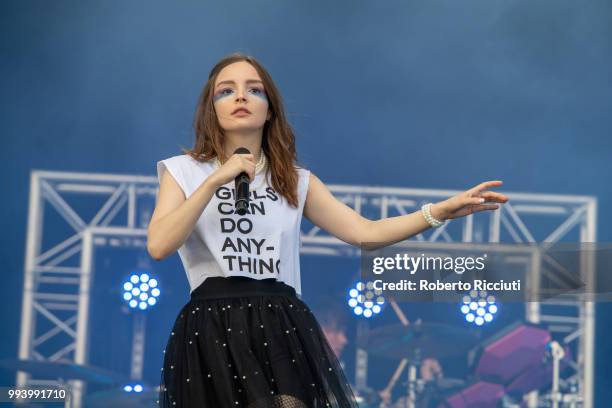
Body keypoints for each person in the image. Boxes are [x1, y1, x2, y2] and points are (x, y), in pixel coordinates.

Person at [147, 52, 509, 408]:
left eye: (253, 90)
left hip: (278, 322)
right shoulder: (183, 172)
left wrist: (439, 212)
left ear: (270, 108)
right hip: (213, 325)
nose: (240, 96)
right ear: (212, 109)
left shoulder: (295, 180)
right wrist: (214, 181)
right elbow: (160, 244)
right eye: (226, 91)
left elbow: (365, 232)